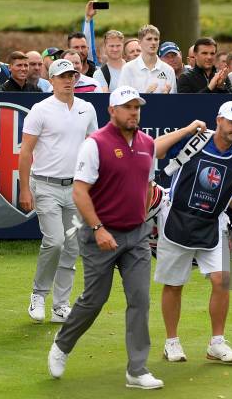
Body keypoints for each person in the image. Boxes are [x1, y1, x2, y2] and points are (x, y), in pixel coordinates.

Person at [47, 86, 163, 390]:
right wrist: (98, 228)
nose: (134, 112)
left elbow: (148, 185)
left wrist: (142, 220)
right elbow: (79, 191)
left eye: (137, 107)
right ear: (112, 111)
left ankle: (136, 370)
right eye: (127, 107)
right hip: (99, 233)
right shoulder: (95, 144)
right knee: (94, 299)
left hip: (136, 235)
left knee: (140, 299)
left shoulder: (148, 144)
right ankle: (62, 343)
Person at [153, 101, 232, 363]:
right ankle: (171, 342)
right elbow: (155, 149)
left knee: (222, 279)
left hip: (214, 222)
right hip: (177, 218)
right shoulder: (194, 141)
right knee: (174, 284)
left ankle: (217, 344)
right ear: (218, 120)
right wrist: (187, 129)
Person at [19, 59, 98, 324]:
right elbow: (26, 151)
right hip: (45, 186)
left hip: (75, 190)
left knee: (72, 247)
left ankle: (60, 305)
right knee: (55, 241)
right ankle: (38, 295)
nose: (68, 80)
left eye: (72, 75)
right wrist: (24, 191)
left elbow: (93, 147)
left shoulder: (87, 109)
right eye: (62, 76)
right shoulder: (40, 110)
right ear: (51, 80)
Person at [118, 24, 177, 94]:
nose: (153, 42)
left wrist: (166, 98)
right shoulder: (128, 68)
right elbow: (122, 99)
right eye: (149, 39)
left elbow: (173, 102)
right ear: (140, 43)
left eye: (156, 39)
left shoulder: (169, 70)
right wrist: (146, 95)